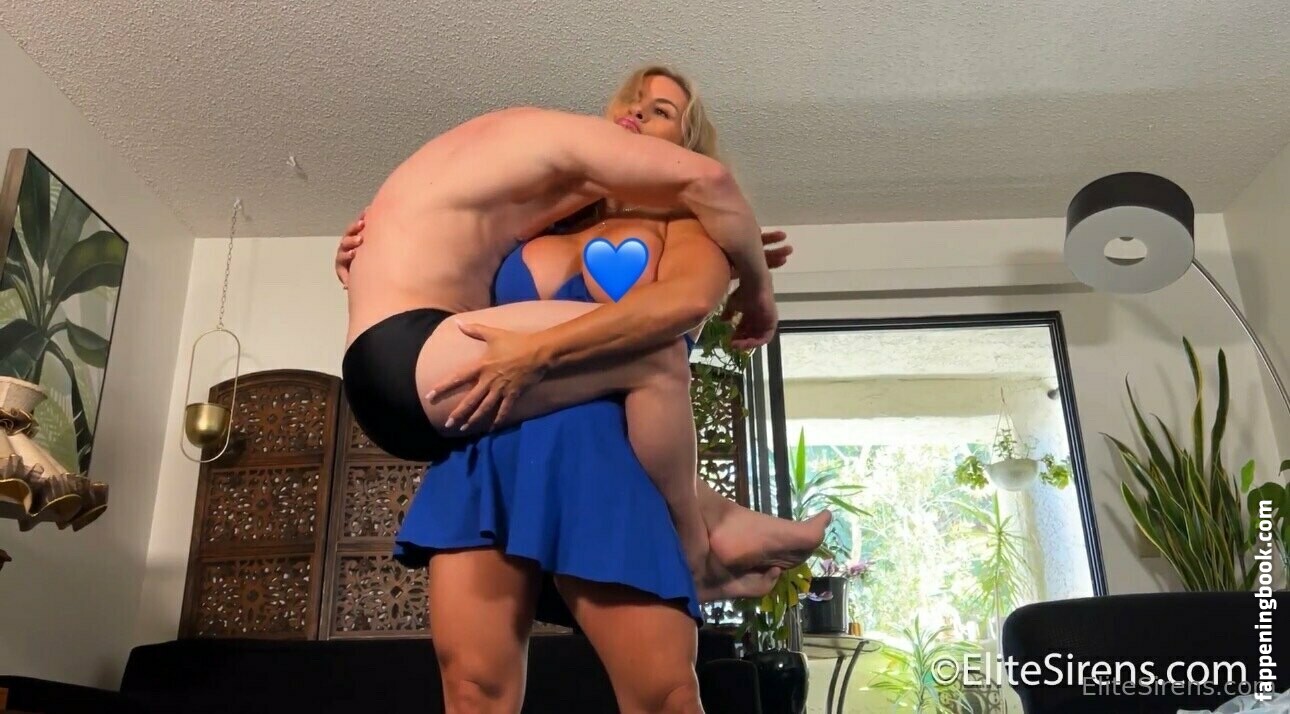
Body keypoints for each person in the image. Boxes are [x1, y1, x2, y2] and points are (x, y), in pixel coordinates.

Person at [338, 65, 829, 713]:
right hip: (494, 442)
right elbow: (439, 264)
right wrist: (361, 254)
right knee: (472, 691)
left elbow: (682, 305)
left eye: (662, 111)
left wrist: (744, 262)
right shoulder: (535, 223)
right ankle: (720, 524)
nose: (638, 113)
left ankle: (703, 533)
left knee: (665, 698)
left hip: (605, 453)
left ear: (685, 146)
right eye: (632, 101)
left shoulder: (688, 225)